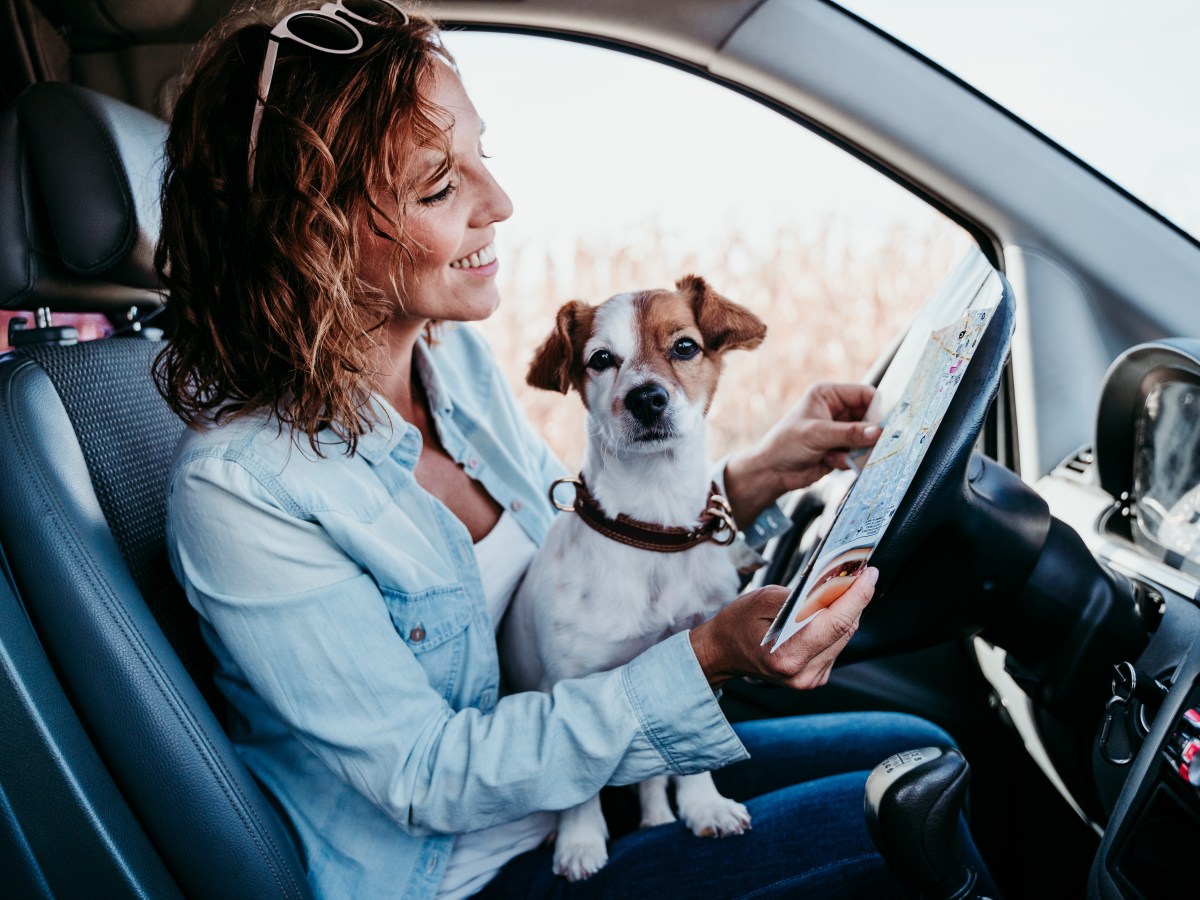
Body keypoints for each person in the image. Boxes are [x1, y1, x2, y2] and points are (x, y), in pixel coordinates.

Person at [157, 2, 991, 897]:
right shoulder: (245, 493)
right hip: (474, 867)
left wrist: (754, 476)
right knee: (898, 827)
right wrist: (706, 656)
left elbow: (592, 546)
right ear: (309, 237)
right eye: (441, 186)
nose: (500, 204)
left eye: (486, 156)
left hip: (604, 775)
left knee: (921, 752)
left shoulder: (458, 368)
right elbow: (426, 776)